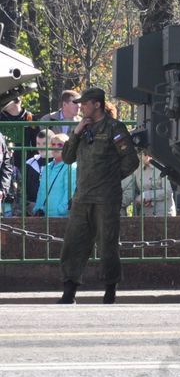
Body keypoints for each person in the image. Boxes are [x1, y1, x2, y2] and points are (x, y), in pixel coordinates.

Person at [57, 88, 139, 305]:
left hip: (106, 197)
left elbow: (131, 161)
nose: (81, 107)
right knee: (73, 244)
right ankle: (69, 292)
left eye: (84, 104)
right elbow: (66, 158)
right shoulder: (84, 129)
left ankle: (110, 291)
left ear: (97, 104)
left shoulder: (114, 128)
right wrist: (75, 133)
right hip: (82, 197)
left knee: (108, 245)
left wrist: (110, 179)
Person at [32, 133, 75, 217]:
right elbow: (41, 191)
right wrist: (37, 208)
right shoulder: (47, 167)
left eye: (60, 145)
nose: (55, 147)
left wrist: (61, 211)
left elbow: (70, 193)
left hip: (60, 217)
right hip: (43, 216)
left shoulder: (71, 167)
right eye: (53, 144)